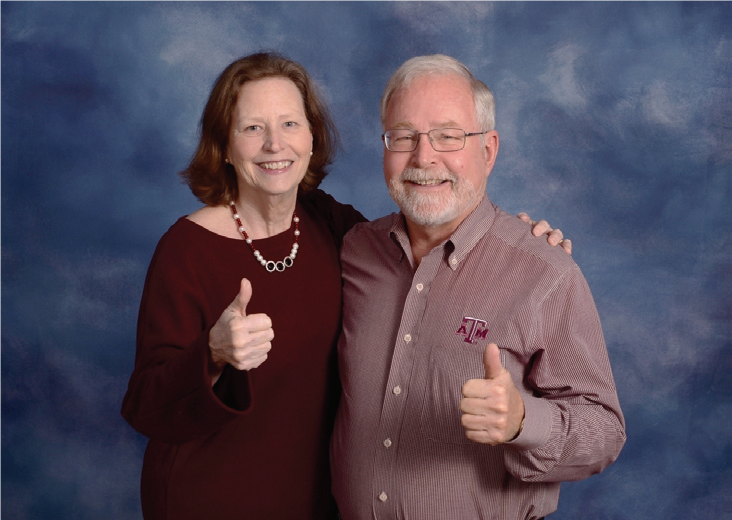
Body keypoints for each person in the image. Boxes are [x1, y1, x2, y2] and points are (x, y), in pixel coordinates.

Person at [121, 52, 569, 520]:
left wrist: (512, 238)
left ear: (312, 139)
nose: (275, 144)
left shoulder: (334, 228)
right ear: (225, 146)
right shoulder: (186, 250)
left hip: (316, 507)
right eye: (252, 128)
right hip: (209, 502)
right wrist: (212, 353)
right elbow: (144, 407)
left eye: (290, 124)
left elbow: (423, 246)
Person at [330, 54, 625, 520]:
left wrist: (523, 422)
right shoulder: (354, 253)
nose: (424, 157)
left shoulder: (545, 273)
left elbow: (604, 431)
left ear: (487, 150)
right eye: (403, 136)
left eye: (449, 136)